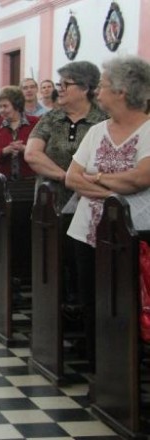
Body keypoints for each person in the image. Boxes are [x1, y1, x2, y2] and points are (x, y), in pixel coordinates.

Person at [66, 55, 150, 371]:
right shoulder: (97, 131)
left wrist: (98, 177)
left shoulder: (148, 130)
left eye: (102, 86)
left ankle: (128, 373)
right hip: (87, 232)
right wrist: (115, 192)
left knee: (130, 303)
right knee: (93, 301)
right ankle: (100, 372)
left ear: (122, 91)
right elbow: (72, 178)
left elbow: (140, 178)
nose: (96, 92)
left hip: (136, 233)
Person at [25, 61, 108, 208]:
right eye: (59, 84)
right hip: (50, 202)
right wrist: (68, 178)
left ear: (85, 88)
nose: (60, 89)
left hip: (91, 201)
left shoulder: (103, 120)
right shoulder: (51, 118)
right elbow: (32, 154)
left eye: (66, 84)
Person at [0, 86, 39, 181]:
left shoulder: (35, 123)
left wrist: (24, 149)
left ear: (16, 105)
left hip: (30, 177)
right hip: (4, 178)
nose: (2, 110)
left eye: (5, 106)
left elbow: (41, 150)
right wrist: (5, 150)